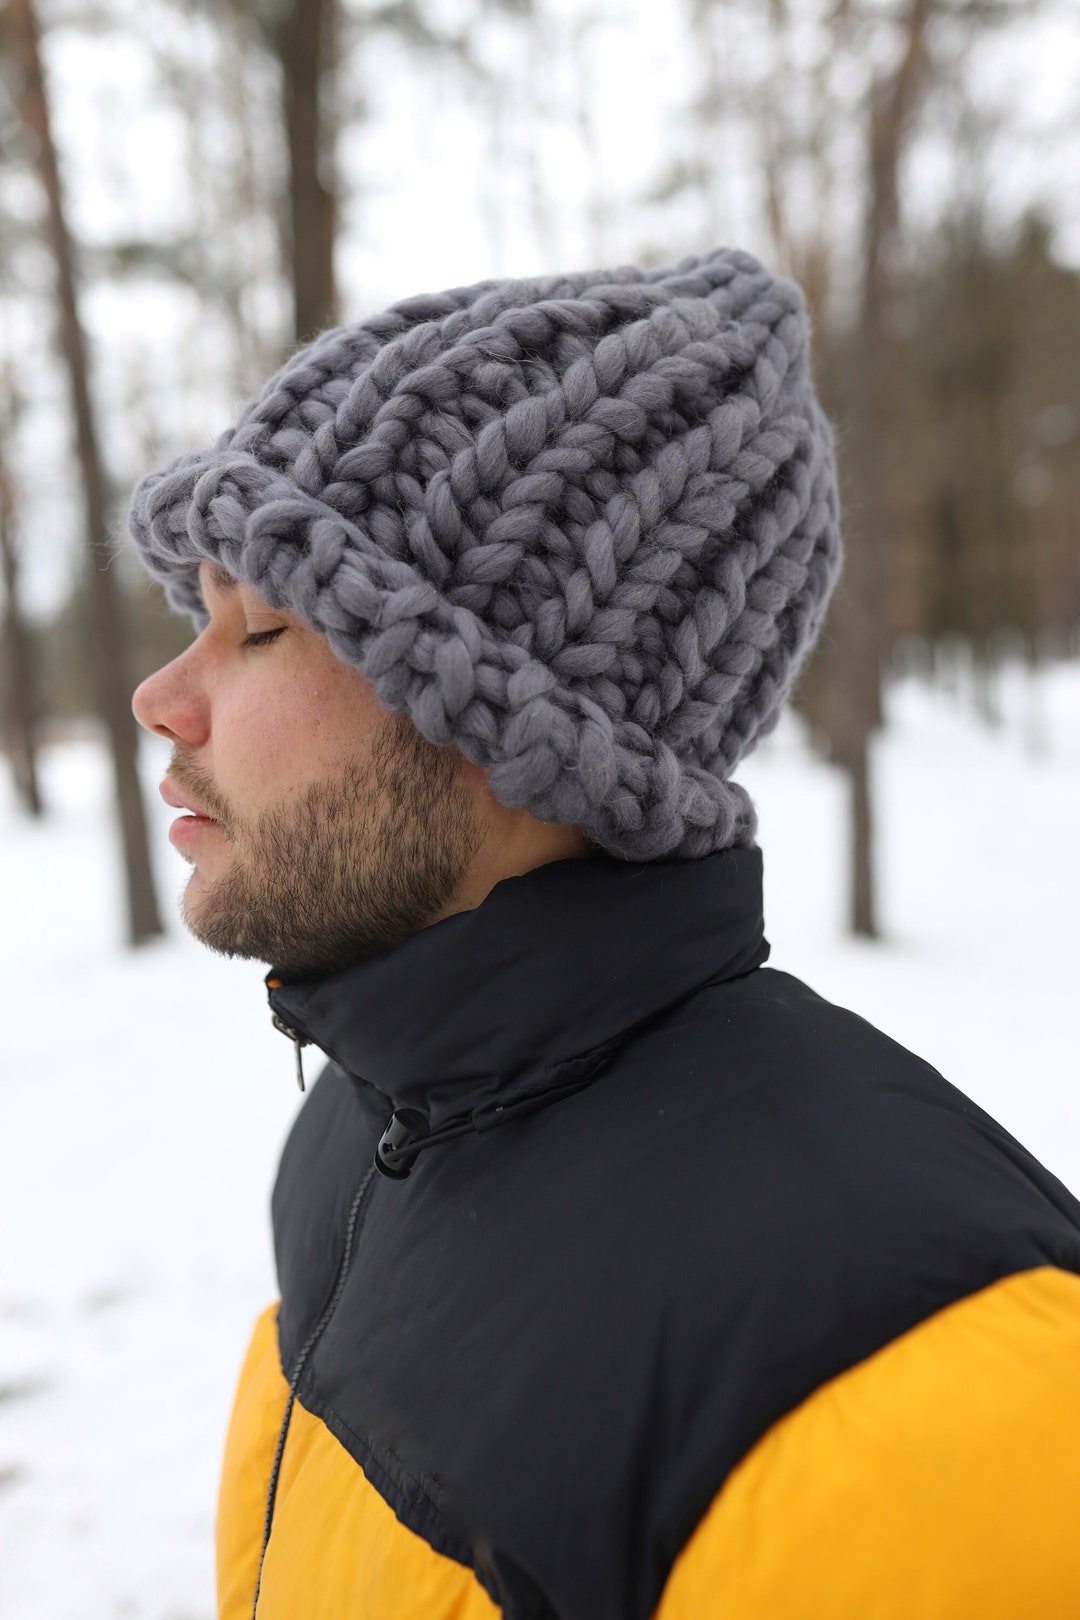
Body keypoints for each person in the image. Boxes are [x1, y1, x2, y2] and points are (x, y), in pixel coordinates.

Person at [130, 247, 1080, 1620]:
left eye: (263, 626)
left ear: (511, 728)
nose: (164, 695)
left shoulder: (929, 1384)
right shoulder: (362, 1132)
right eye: (196, 615)